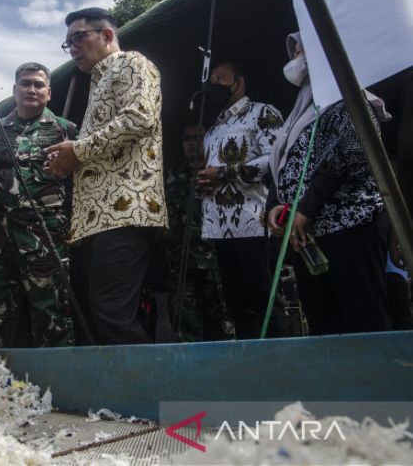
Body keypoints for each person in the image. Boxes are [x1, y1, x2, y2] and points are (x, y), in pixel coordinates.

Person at [46, 8, 167, 345]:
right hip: (93, 222)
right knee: (88, 314)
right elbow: (101, 152)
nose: (72, 47)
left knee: (111, 312)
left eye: (78, 38)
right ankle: (108, 395)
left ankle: (149, 391)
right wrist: (68, 162)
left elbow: (140, 118)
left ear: (107, 35)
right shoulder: (97, 84)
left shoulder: (132, 63)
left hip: (124, 212)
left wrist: (78, 150)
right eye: (67, 42)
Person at [267, 32, 392, 335]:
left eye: (302, 42)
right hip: (308, 237)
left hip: (350, 228)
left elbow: (351, 149)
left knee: (363, 321)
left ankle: (375, 382)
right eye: (294, 45)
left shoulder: (346, 90)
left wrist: (306, 209)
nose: (295, 49)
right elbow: (283, 161)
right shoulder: (302, 103)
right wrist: (274, 207)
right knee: (325, 326)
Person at [0, 62, 77, 348]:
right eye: (25, 84)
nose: (31, 89)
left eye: (38, 85)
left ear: (49, 93)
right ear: (15, 90)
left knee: (52, 319)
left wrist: (76, 227)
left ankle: (58, 387)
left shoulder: (66, 132)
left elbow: (79, 186)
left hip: (47, 241)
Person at [196, 60, 287, 339]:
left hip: (254, 222)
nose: (215, 85)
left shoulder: (262, 113)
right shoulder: (211, 128)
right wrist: (205, 184)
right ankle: (251, 367)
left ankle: (283, 363)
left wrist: (223, 173)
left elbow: (276, 159)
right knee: (236, 306)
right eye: (212, 80)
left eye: (222, 78)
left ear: (239, 83)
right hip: (219, 229)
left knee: (264, 300)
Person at [165, 124, 233, 342]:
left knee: (223, 327)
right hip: (181, 266)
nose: (192, 143)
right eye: (187, 139)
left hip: (216, 264)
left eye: (198, 137)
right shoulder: (173, 176)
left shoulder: (220, 173)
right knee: (185, 331)